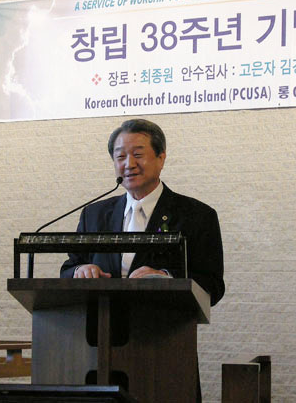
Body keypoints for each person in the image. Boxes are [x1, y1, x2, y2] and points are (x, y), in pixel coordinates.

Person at [60, 118, 224, 306]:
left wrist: (166, 278)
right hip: (100, 320)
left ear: (161, 159)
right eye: (120, 157)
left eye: (138, 155)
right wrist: (80, 271)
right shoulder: (94, 214)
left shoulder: (197, 215)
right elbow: (68, 268)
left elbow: (213, 285)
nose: (129, 164)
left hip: (163, 320)